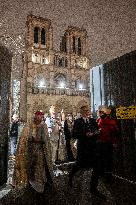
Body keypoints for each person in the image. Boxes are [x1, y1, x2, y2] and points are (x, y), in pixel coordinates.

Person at [12, 111, 53, 193]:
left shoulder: (43, 125)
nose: (41, 118)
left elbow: (46, 139)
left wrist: (42, 142)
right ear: (36, 116)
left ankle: (39, 183)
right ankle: (29, 182)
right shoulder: (29, 125)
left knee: (40, 166)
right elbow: (24, 138)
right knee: (30, 166)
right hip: (30, 150)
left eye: (42, 117)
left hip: (40, 151)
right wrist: (31, 140)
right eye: (39, 116)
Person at [68, 106, 104, 198]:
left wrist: (96, 133)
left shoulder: (92, 120)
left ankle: (93, 188)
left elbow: (96, 131)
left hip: (92, 148)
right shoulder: (78, 121)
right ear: (81, 112)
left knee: (97, 166)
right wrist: (85, 134)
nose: (87, 112)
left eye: (88, 110)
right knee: (79, 165)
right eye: (85, 111)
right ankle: (71, 176)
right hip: (83, 149)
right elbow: (74, 134)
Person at [96, 106, 119, 183]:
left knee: (108, 160)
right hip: (100, 143)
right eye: (99, 112)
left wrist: (114, 142)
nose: (100, 113)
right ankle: (102, 173)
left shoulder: (111, 121)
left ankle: (108, 176)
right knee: (101, 159)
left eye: (101, 112)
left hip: (108, 143)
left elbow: (115, 132)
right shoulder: (98, 120)